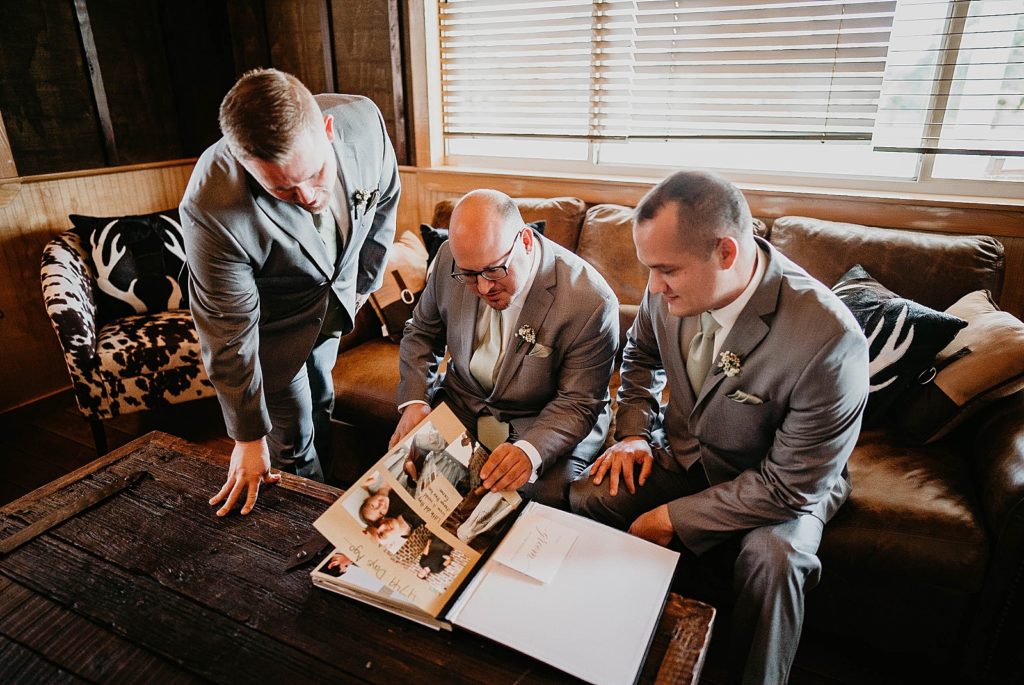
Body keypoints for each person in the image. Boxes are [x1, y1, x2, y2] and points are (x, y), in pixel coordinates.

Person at [569, 171, 869, 685]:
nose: (653, 287)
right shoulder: (664, 291)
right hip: (687, 455)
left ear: (727, 253)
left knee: (774, 563)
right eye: (648, 269)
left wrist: (671, 517)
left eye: (666, 271)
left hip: (782, 486)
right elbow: (639, 357)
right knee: (593, 493)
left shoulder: (830, 340)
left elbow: (791, 486)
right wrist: (635, 433)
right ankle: (607, 644)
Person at [180, 68, 400, 517]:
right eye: (282, 189)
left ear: (327, 130)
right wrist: (246, 437)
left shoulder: (364, 122)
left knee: (322, 401)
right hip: (271, 332)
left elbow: (384, 202)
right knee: (293, 436)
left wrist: (361, 290)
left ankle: (329, 494)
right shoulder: (211, 207)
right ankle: (309, 524)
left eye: (316, 173)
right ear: (247, 168)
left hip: (334, 306)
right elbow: (226, 331)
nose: (308, 197)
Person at [391, 189, 619, 509]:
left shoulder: (591, 301)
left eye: (494, 270)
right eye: (470, 275)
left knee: (539, 503)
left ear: (525, 242)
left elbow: (578, 401)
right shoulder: (447, 259)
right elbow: (422, 333)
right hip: (464, 401)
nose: (483, 287)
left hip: (542, 417)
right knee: (407, 477)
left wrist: (529, 451)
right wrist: (415, 401)